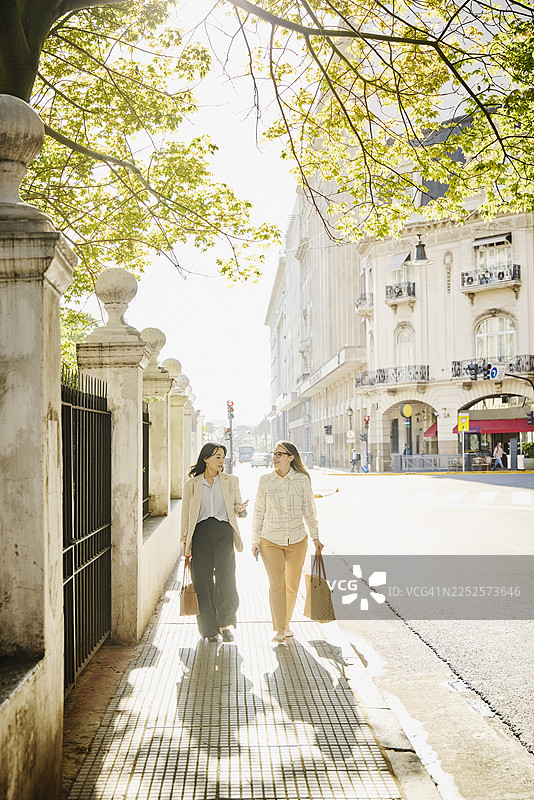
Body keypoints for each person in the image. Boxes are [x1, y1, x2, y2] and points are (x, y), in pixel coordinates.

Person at [251, 441, 323, 643]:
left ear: (291, 457)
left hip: (297, 539)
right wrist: (255, 540)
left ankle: (286, 622)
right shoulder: (265, 480)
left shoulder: (302, 480)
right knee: (277, 584)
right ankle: (280, 628)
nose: (275, 457)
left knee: (291, 585)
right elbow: (258, 512)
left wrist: (316, 537)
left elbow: (309, 510)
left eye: (279, 454)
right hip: (270, 539)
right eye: (274, 454)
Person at [181, 442, 248, 643]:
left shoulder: (231, 481)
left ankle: (225, 624)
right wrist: (185, 542)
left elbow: (238, 508)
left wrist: (241, 510)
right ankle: (209, 629)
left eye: (223, 457)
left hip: (223, 532)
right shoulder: (191, 485)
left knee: (226, 577)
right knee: (203, 582)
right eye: (217, 456)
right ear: (206, 459)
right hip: (200, 534)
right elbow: (185, 515)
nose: (221, 461)